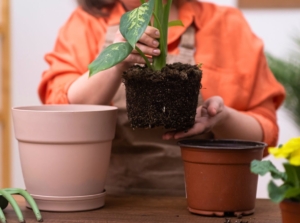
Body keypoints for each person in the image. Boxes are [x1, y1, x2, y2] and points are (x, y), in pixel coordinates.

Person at [38, 0, 285, 195]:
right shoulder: (85, 24)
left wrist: (222, 117)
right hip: (113, 200)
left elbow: (265, 135)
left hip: (210, 198)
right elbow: (62, 118)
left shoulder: (226, 24)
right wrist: (116, 62)